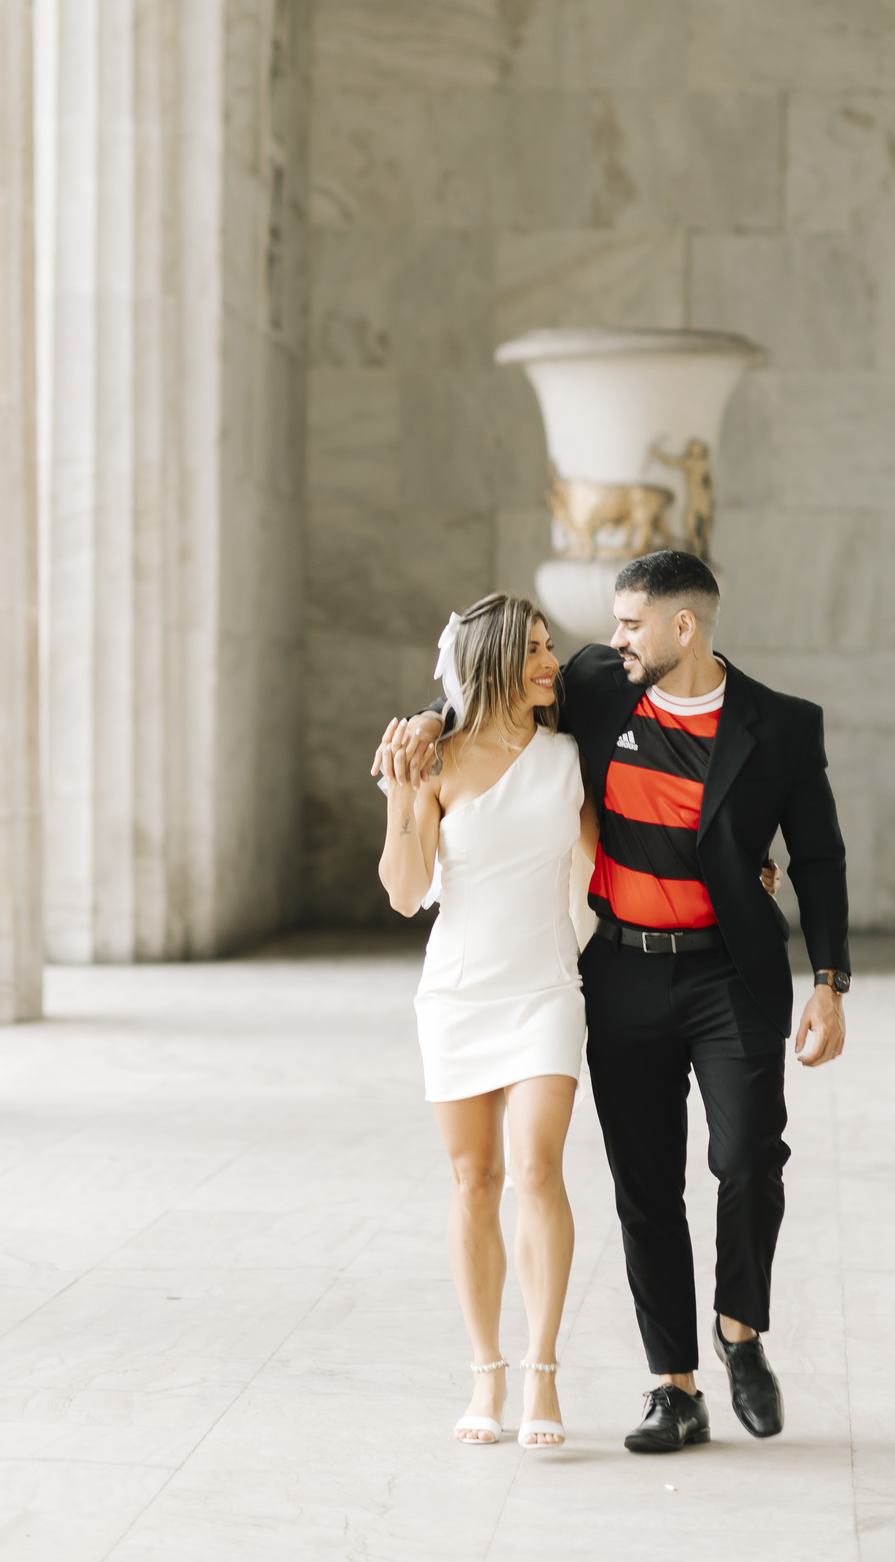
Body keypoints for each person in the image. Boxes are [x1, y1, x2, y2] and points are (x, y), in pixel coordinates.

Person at [393, 550, 849, 1454]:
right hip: (623, 973)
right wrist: (425, 722)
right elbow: (489, 691)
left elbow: (821, 857)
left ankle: (739, 1331)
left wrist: (830, 983)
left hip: (730, 972)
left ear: (685, 626)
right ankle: (674, 1388)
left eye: (631, 623)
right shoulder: (602, 684)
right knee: (645, 1184)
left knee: (749, 1155)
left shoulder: (784, 727)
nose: (610, 640)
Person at [375, 594, 597, 1449]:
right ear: (494, 660)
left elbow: (611, 860)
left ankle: (542, 1371)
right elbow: (404, 893)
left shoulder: (568, 758)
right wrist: (403, 797)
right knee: (474, 1180)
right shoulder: (431, 760)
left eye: (548, 646)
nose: (551, 663)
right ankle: (485, 1370)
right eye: (534, 649)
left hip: (546, 989)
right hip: (459, 996)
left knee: (537, 1169)